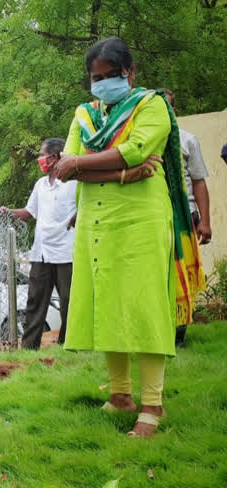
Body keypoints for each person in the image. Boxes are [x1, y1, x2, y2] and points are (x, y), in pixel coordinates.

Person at [55, 37, 204, 438]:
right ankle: (120, 395)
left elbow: (137, 150)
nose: (102, 83)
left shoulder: (151, 105)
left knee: (145, 310)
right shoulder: (85, 114)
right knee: (109, 308)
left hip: (141, 223)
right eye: (95, 77)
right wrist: (121, 174)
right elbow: (64, 168)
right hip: (97, 224)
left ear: (130, 73)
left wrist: (86, 164)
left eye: (109, 76)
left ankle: (153, 406)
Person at [0, 138, 76, 349]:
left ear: (56, 157)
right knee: (35, 301)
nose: (40, 159)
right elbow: (29, 213)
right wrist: (10, 213)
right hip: (41, 252)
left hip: (66, 252)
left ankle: (68, 344)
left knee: (69, 301)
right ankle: (29, 346)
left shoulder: (75, 183)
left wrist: (79, 216)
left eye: (43, 155)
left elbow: (86, 207)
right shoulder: (40, 185)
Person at [162, 90, 212, 347]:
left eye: (168, 107)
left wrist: (205, 221)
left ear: (175, 112)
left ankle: (178, 337)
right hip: (154, 218)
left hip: (185, 217)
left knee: (180, 277)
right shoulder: (141, 141)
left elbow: (199, 181)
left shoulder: (187, 140)